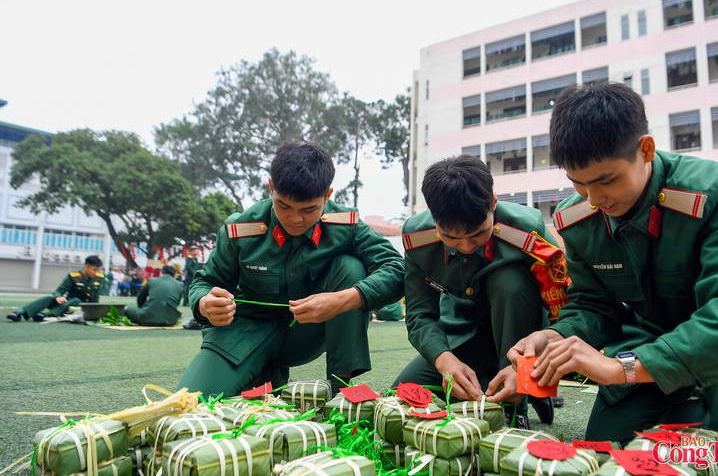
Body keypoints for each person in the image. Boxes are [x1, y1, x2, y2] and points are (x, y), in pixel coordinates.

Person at [509, 81, 718, 443]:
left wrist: (620, 368)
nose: (594, 200)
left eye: (606, 180)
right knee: (604, 448)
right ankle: (685, 406)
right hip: (652, 334)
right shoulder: (578, 219)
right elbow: (594, 304)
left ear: (646, 149)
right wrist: (553, 335)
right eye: (578, 184)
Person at [177, 143, 405, 397]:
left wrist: (341, 300)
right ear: (272, 187)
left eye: (309, 210)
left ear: (327, 196)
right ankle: (267, 372)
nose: (295, 219)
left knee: (350, 267)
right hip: (245, 334)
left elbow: (397, 268)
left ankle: (343, 391)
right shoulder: (242, 228)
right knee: (190, 404)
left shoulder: (345, 225)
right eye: (283, 206)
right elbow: (203, 283)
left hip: (306, 334)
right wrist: (205, 304)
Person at [394, 155, 571, 427]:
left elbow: (563, 303)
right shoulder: (417, 239)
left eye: (478, 234)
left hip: (522, 336)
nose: (465, 246)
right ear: (432, 213)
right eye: (451, 237)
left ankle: (517, 404)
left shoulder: (527, 230)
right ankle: (508, 384)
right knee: (401, 396)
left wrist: (531, 368)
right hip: (462, 335)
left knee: (510, 280)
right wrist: (445, 360)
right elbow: (419, 315)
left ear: (494, 203)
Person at [7, 255, 105, 322]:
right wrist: (58, 297)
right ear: (86, 266)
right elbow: (60, 290)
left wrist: (95, 312)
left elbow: (95, 298)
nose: (95, 272)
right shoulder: (73, 276)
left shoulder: (99, 278)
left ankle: (47, 315)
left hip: (81, 308)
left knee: (76, 300)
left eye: (97, 270)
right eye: (94, 270)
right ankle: (19, 313)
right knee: (49, 298)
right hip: (67, 306)